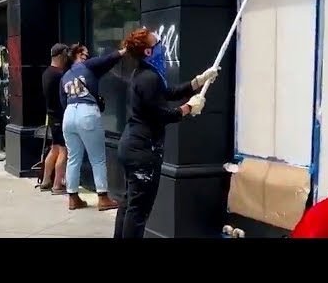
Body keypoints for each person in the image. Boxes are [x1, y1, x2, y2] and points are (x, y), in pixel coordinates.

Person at [113, 28, 219, 238]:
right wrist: (188, 108)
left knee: (129, 204)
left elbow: (167, 94)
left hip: (132, 147)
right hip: (143, 151)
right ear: (148, 52)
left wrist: (196, 82)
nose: (162, 46)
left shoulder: (145, 74)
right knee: (138, 210)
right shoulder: (148, 78)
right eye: (157, 44)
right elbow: (161, 115)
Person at [60, 43, 126, 211]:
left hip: (69, 114)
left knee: (73, 158)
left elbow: (62, 101)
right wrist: (125, 50)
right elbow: (107, 60)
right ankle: (103, 198)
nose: (88, 57)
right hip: (87, 112)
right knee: (97, 158)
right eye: (86, 53)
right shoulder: (87, 65)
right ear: (79, 54)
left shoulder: (65, 76)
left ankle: (73, 198)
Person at [41, 43, 70, 194]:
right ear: (60, 56)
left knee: (54, 148)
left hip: (51, 115)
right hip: (60, 115)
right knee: (64, 150)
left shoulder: (47, 73)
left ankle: (46, 180)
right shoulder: (59, 75)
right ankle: (58, 184)